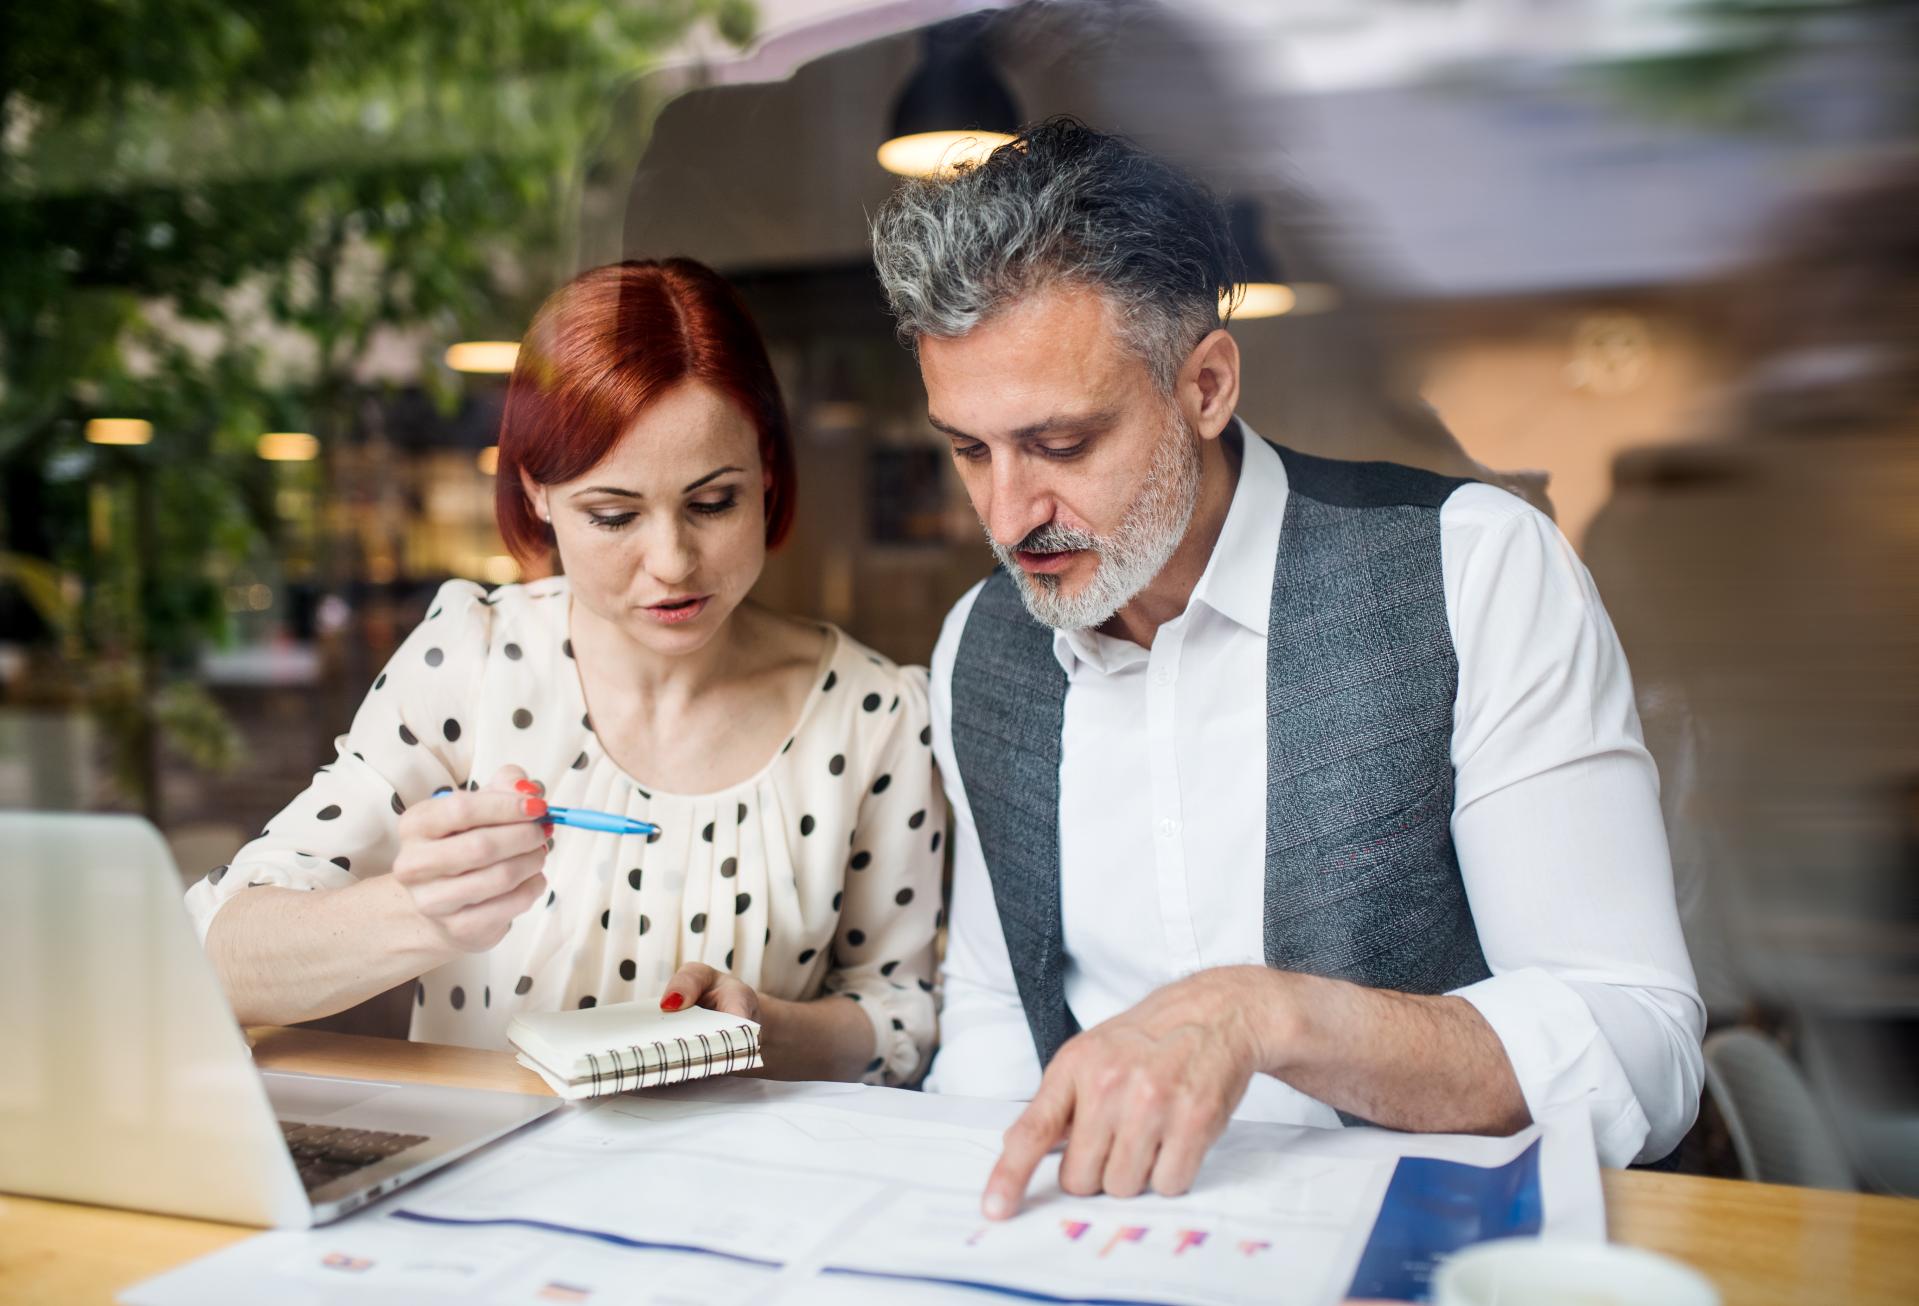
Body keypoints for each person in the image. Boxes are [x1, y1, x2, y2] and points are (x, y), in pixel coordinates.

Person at [868, 119, 1704, 1215]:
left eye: (1062, 444)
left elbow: (1639, 1049)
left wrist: (1269, 1016)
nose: (1008, 512)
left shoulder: (1468, 568)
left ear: (1205, 386)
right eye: (969, 449)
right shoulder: (978, 644)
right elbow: (990, 1007)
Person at [188, 259, 944, 1086]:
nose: (671, 562)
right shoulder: (471, 664)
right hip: (484, 1191)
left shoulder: (874, 714)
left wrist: (762, 1029)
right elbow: (219, 957)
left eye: (713, 502)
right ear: (537, 495)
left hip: (744, 1194)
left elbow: (902, 1011)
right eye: (613, 515)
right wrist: (420, 913)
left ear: (766, 470)